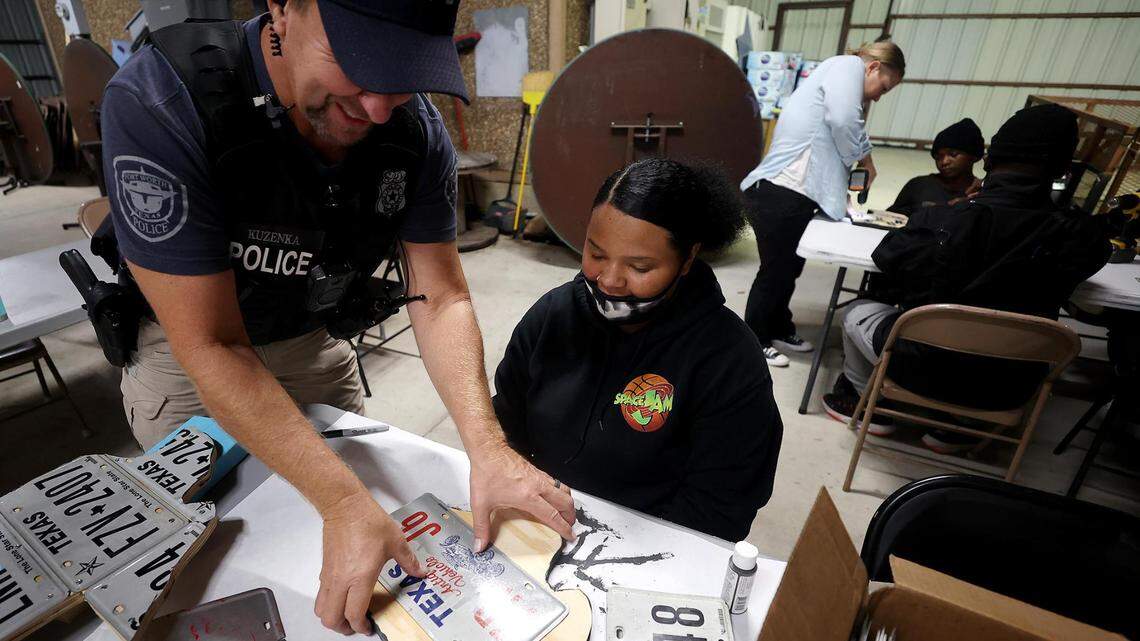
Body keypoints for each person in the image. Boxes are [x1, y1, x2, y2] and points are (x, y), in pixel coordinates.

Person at [98, 0, 574, 635]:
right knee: (214, 569)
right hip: (189, 360)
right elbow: (211, 343)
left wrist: (488, 450)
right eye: (358, 63)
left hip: (310, 339)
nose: (378, 107)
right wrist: (344, 503)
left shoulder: (412, 130)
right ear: (283, 10)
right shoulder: (163, 100)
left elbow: (443, 295)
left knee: (360, 556)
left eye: (402, 74)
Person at [491, 158, 783, 542]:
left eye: (640, 267)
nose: (609, 280)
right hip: (535, 523)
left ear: (688, 258)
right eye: (596, 254)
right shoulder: (553, 315)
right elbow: (505, 421)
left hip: (646, 547)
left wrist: (609, 548)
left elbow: (720, 510)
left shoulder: (728, 360)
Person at [822, 104, 1112, 453]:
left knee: (857, 312)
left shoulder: (947, 219)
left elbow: (888, 257)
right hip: (1009, 386)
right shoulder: (1081, 236)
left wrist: (959, 209)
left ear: (986, 161)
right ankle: (961, 428)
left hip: (921, 369)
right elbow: (1093, 253)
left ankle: (861, 401)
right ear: (1065, 168)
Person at [741, 41, 905, 368]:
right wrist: (865, 159)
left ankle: (778, 327)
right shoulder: (848, 66)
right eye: (883, 88)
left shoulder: (836, 74)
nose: (877, 96)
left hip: (797, 194)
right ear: (873, 67)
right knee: (775, 271)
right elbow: (844, 119)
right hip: (780, 190)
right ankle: (753, 339)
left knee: (790, 267)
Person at [889, 118, 984, 215]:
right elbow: (889, 218)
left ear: (974, 157)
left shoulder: (981, 194)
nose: (944, 161)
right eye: (938, 157)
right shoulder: (918, 186)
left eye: (953, 154)